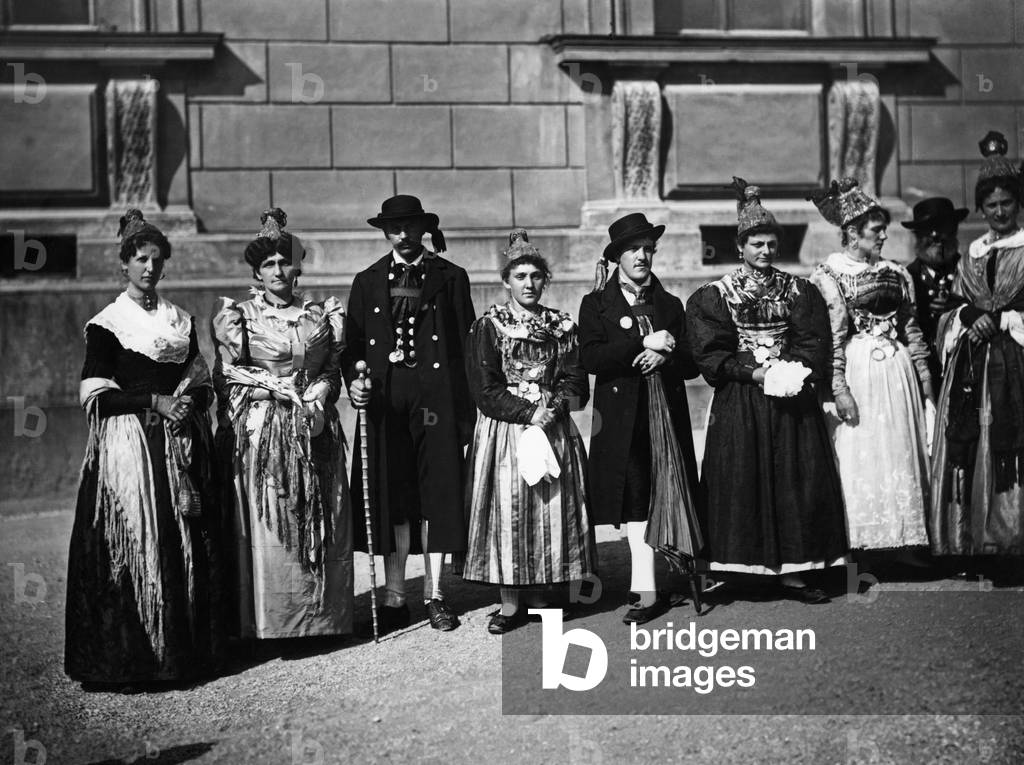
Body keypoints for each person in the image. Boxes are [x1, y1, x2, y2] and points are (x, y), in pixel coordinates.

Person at [66, 209, 223, 686]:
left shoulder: (180, 319)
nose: (149, 268)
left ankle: (184, 654)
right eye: (140, 259)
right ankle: (129, 659)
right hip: (130, 447)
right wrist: (155, 401)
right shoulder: (108, 324)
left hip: (176, 442)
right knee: (134, 539)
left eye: (156, 259)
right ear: (124, 265)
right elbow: (95, 393)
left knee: (186, 541)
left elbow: (200, 380)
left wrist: (187, 405)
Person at [687, 179, 847, 603]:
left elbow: (814, 342)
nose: (765, 251)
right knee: (741, 476)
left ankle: (794, 572)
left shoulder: (797, 290)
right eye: (756, 243)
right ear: (740, 246)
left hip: (788, 398)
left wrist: (790, 371)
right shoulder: (717, 294)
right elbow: (711, 352)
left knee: (792, 475)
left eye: (771, 243)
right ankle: (737, 563)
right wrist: (751, 373)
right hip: (742, 399)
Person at [212, 208, 352, 641]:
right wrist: (276, 392)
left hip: (313, 422)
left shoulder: (318, 315)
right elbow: (228, 377)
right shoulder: (241, 318)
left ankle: (322, 619)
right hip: (264, 428)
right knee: (273, 515)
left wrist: (321, 396)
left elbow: (330, 369)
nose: (277, 270)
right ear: (257, 271)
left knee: (322, 512)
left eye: (284, 262)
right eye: (268, 264)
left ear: (298, 268)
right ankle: (271, 623)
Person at [343, 195, 476, 634]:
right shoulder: (367, 281)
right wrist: (355, 383)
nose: (403, 234)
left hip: (436, 400)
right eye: (394, 227)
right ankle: (395, 594)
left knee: (437, 493)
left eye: (410, 226)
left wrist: (465, 415)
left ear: (423, 229)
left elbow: (465, 350)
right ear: (384, 232)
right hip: (386, 401)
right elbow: (352, 348)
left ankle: (435, 595)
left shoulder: (451, 278)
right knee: (394, 496)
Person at [463, 230, 596, 634]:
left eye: (536, 276)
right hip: (506, 431)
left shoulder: (562, 326)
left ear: (545, 280)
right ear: (506, 281)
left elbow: (577, 384)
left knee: (548, 508)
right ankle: (509, 602)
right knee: (509, 510)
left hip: (553, 427)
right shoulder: (490, 326)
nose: (528, 284)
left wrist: (551, 409)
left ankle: (541, 596)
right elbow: (484, 388)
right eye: (519, 276)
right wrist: (525, 413)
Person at [579, 212, 704, 625]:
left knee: (664, 492)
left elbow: (691, 365)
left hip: (665, 417)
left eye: (648, 249)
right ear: (617, 257)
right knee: (634, 500)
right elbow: (592, 357)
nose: (642, 256)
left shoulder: (669, 303)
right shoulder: (597, 304)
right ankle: (646, 589)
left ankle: (670, 575)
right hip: (622, 420)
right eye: (633, 250)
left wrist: (666, 352)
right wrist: (640, 342)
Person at [809, 178, 933, 555]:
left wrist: (925, 379)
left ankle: (903, 540)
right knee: (860, 450)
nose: (883, 237)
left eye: (883, 230)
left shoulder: (897, 273)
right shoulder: (830, 275)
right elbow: (832, 338)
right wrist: (839, 389)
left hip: (897, 374)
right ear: (851, 233)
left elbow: (912, 329)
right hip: (859, 371)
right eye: (876, 231)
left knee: (899, 449)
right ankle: (859, 542)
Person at [930, 130, 1024, 571]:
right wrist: (969, 317)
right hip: (973, 364)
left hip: (1016, 362)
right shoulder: (971, 255)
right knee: (970, 441)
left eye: (1006, 203)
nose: (999, 212)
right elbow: (954, 306)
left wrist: (1004, 318)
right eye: (991, 205)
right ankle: (974, 541)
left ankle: (1011, 539)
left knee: (1011, 438)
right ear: (982, 208)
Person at [901, 197, 968, 383]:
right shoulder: (908, 277)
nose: (936, 236)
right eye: (927, 230)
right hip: (926, 373)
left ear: (954, 231)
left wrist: (956, 308)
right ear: (917, 236)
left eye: (942, 228)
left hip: (964, 366)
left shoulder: (968, 270)